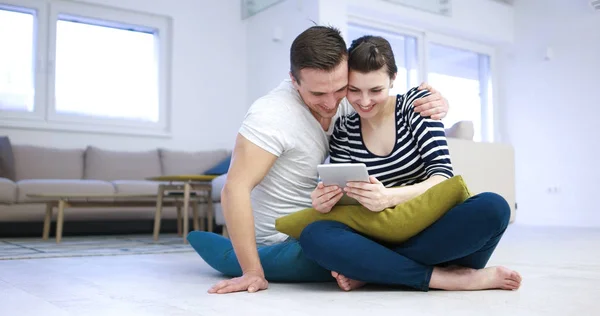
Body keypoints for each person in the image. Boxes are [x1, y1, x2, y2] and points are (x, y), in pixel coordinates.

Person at [186, 25, 449, 294]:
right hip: (282, 239)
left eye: (340, 89)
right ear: (293, 80)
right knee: (339, 248)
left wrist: (434, 101)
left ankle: (374, 268)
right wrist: (252, 272)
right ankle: (433, 277)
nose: (331, 102)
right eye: (318, 94)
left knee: (390, 234)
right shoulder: (271, 116)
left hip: (326, 221)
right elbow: (234, 188)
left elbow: (381, 95)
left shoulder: (349, 96)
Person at [299, 35, 522, 292]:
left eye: (376, 90)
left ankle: (376, 270)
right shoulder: (344, 130)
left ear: (393, 80)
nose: (364, 101)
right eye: (354, 90)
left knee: (494, 207)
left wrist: (388, 197)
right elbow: (344, 196)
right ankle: (445, 278)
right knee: (314, 235)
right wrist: (325, 200)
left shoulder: (416, 107)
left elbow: (442, 177)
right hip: (377, 236)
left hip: (431, 231)